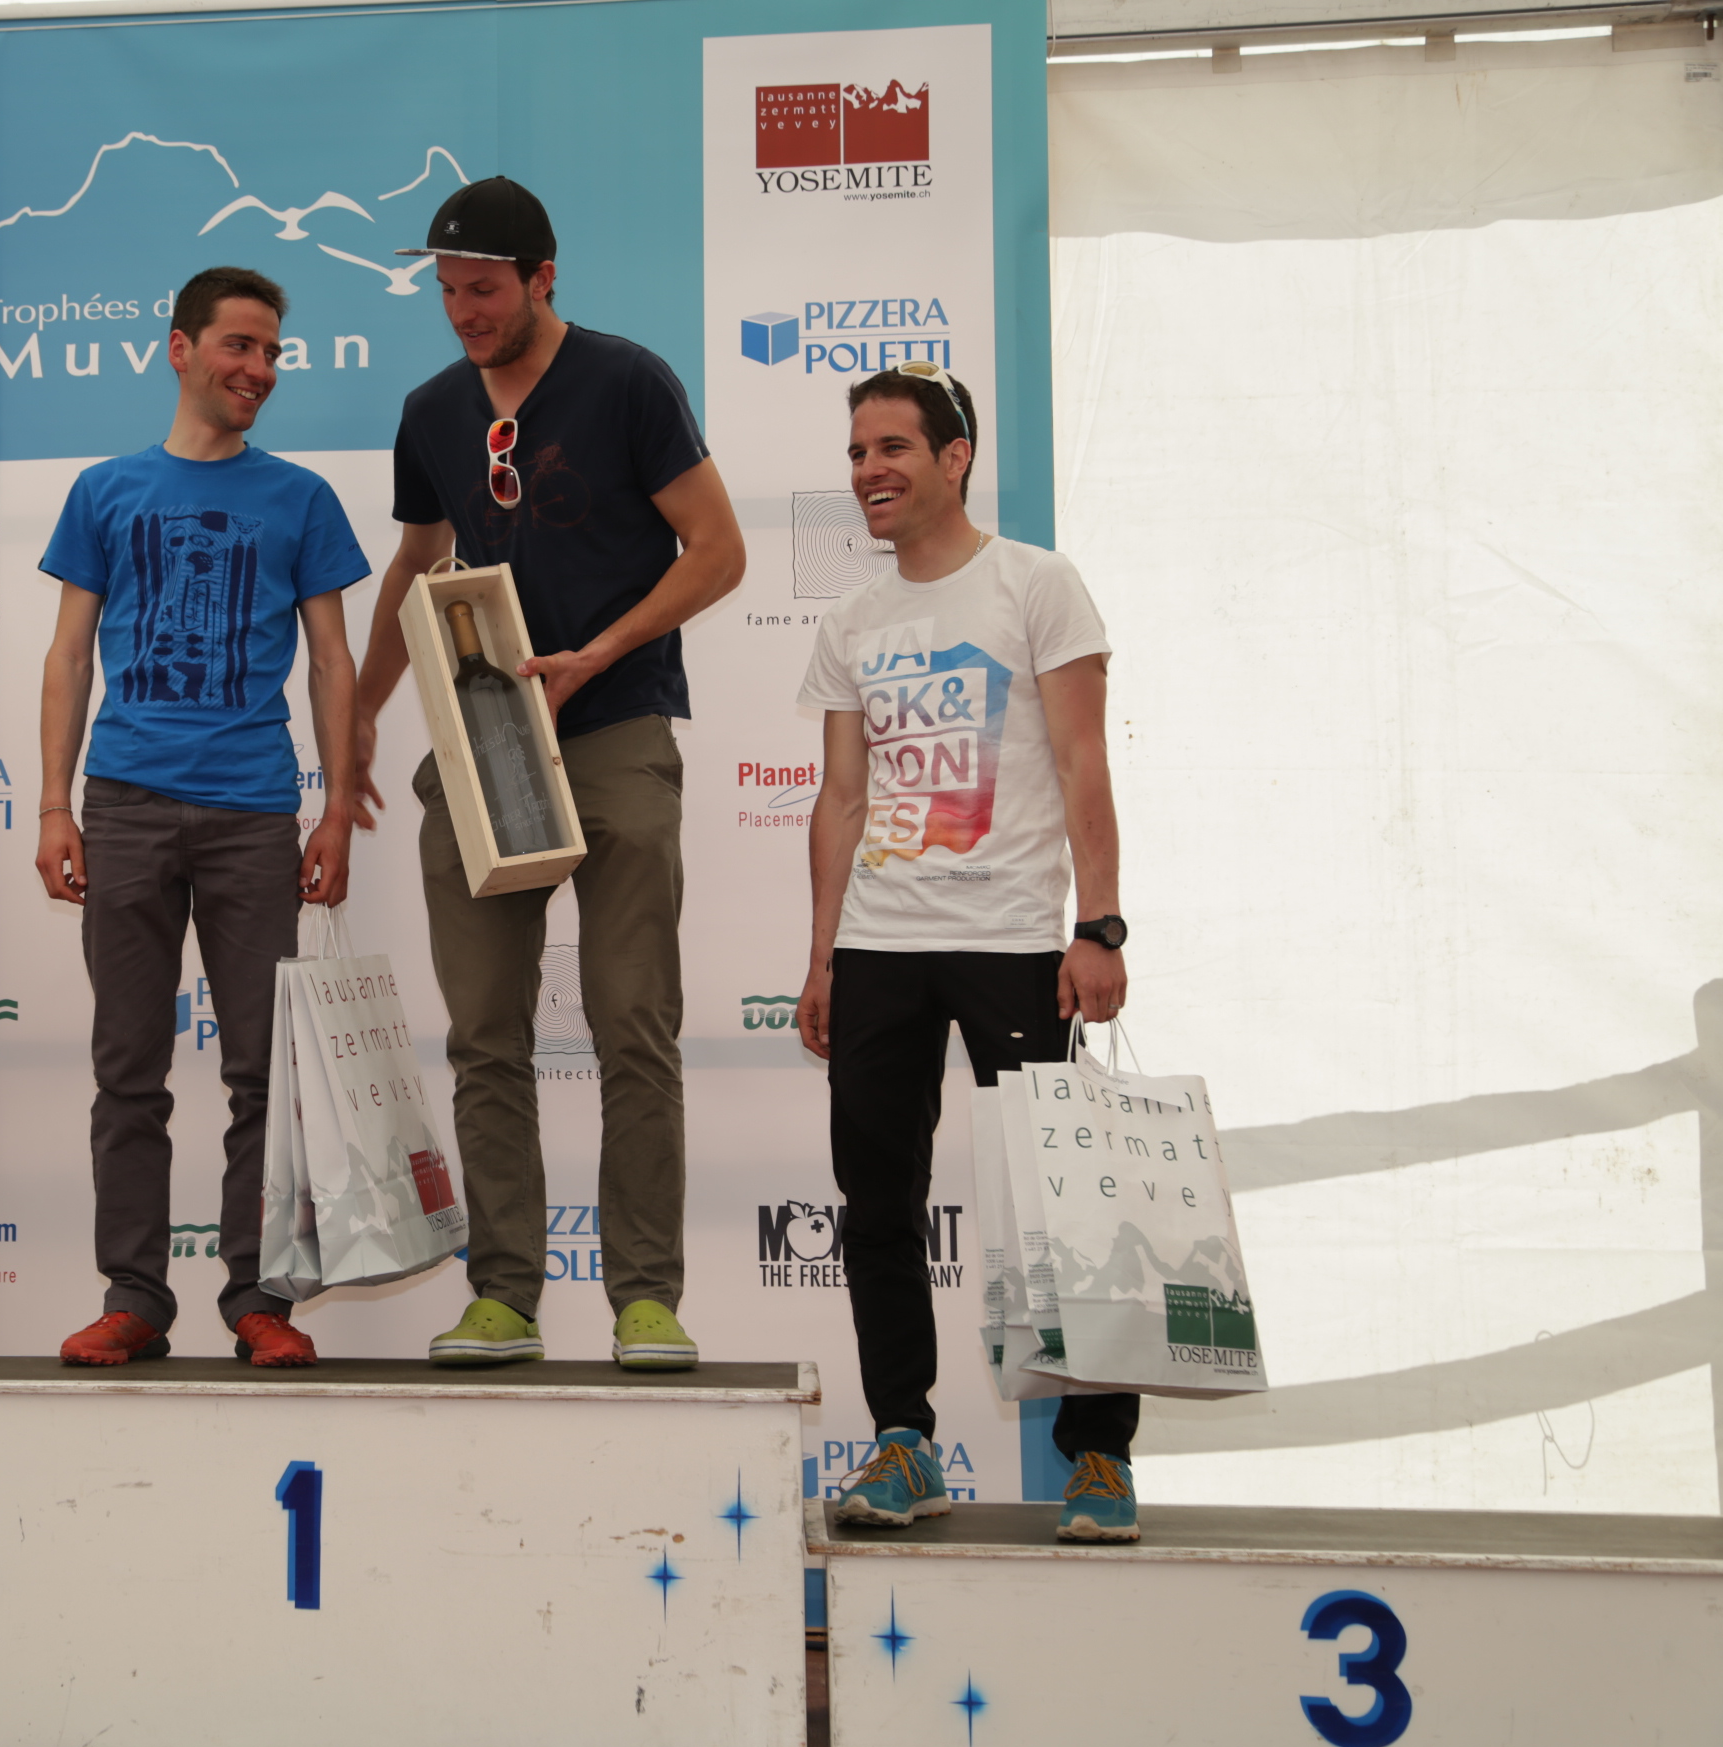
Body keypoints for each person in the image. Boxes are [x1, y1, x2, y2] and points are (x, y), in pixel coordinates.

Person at [352, 176, 744, 1371]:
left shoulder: (628, 381)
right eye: (448, 292)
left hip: (616, 726)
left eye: (484, 289)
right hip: (487, 744)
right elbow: (417, 564)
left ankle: (645, 1299)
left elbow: (717, 551)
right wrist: (358, 716)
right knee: (484, 1035)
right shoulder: (431, 411)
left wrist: (602, 652)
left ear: (542, 278)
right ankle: (504, 1297)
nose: (464, 311)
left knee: (634, 1025)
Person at [794, 363, 1140, 1544]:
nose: (869, 471)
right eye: (856, 452)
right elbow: (842, 798)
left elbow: (1085, 763)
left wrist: (1098, 925)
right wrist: (824, 957)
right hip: (880, 944)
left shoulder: (1037, 585)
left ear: (956, 458)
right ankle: (904, 1441)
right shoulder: (851, 622)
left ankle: (1099, 1456)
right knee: (877, 1207)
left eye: (892, 447)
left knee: (1059, 1201)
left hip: (1013, 942)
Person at [33, 265, 367, 1371]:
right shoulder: (104, 490)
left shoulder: (302, 498)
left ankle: (258, 1297)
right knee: (127, 1069)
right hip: (124, 804)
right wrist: (54, 804)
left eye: (272, 352)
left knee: (263, 1075)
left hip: (253, 814)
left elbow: (332, 661)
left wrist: (335, 809)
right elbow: (70, 655)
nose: (258, 369)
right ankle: (134, 1296)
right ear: (180, 349)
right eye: (239, 346)